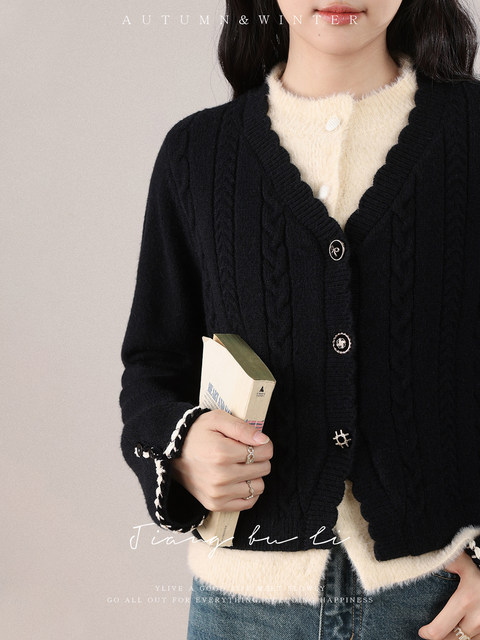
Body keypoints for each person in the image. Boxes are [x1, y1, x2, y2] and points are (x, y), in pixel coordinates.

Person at [119, 1, 480, 638]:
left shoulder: (472, 136)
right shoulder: (196, 154)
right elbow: (153, 364)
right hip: (240, 607)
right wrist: (182, 450)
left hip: (437, 601)